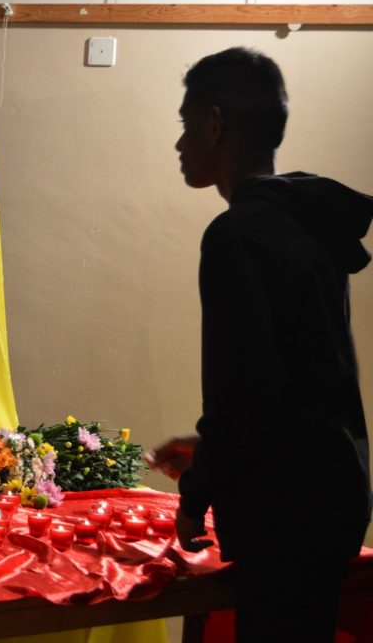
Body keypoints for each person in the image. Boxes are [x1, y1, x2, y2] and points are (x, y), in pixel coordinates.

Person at [149, 47, 373, 642]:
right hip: (332, 489)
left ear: (214, 123)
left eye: (186, 123)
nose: (180, 143)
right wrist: (208, 450)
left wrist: (195, 496)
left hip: (288, 510)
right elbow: (294, 379)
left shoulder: (237, 233)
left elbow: (248, 392)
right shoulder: (305, 219)